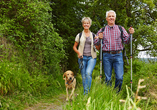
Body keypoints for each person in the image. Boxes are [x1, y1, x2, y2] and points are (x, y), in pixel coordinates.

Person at [94, 10, 134, 92]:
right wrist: (99, 38)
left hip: (118, 55)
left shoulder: (120, 28)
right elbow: (95, 42)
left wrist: (131, 34)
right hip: (106, 56)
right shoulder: (102, 30)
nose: (111, 17)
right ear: (106, 18)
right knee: (108, 78)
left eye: (112, 16)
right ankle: (109, 95)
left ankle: (116, 93)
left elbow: (127, 41)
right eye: (109, 16)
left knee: (119, 77)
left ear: (115, 18)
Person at [73, 17, 97, 95]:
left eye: (87, 23)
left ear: (90, 25)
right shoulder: (79, 35)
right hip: (82, 58)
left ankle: (87, 93)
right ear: (83, 24)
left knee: (88, 73)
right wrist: (78, 53)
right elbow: (74, 47)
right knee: (83, 76)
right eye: (85, 23)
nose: (86, 24)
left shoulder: (93, 35)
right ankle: (85, 92)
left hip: (91, 58)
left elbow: (98, 47)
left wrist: (99, 40)